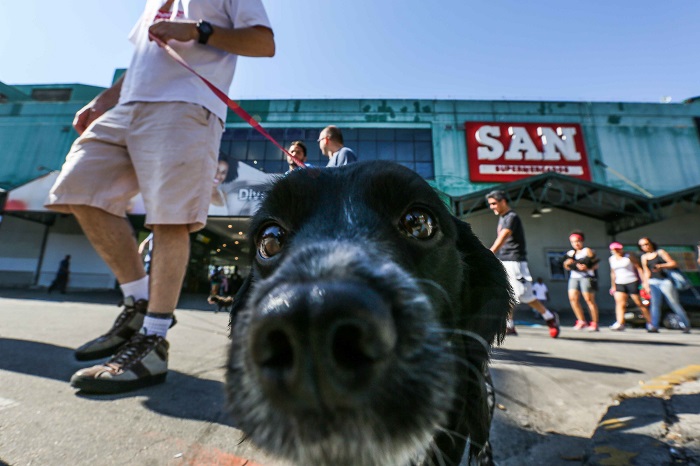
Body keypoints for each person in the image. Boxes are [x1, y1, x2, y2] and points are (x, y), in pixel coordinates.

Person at [44, 0, 275, 394]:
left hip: (187, 104)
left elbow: (262, 42)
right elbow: (142, 60)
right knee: (78, 189)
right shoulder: (153, 4)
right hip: (128, 106)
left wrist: (199, 31)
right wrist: (105, 100)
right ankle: (137, 303)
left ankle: (153, 340)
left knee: (171, 217)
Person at [486, 190, 560, 338]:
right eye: (490, 204)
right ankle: (509, 325)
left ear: (503, 201)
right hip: (504, 260)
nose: (492, 207)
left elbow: (504, 235)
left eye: (494, 203)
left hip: (515, 261)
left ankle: (550, 317)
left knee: (521, 294)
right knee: (509, 294)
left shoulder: (511, 217)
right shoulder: (502, 217)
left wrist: (490, 252)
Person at [639, 237, 691, 333]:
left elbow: (673, 263)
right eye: (642, 245)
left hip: (665, 281)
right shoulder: (644, 257)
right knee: (655, 304)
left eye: (646, 244)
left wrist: (660, 266)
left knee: (673, 303)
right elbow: (646, 271)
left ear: (651, 243)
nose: (645, 246)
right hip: (653, 281)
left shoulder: (660, 252)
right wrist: (645, 284)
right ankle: (654, 326)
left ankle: (686, 324)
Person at [608, 242, 652, 331]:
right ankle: (620, 322)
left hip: (631, 281)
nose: (617, 251)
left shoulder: (628, 256)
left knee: (639, 302)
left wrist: (643, 281)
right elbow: (613, 273)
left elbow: (638, 268)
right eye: (615, 249)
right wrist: (613, 286)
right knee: (620, 303)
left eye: (618, 249)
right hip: (619, 282)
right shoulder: (612, 259)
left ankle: (650, 322)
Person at [563, 230, 600, 331]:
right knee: (573, 299)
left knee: (589, 300)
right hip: (574, 277)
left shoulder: (586, 250)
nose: (576, 243)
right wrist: (568, 263)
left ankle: (594, 323)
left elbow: (595, 263)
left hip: (586, 276)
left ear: (582, 241)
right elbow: (566, 265)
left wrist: (586, 267)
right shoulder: (571, 253)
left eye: (578, 241)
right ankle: (581, 320)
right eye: (573, 242)